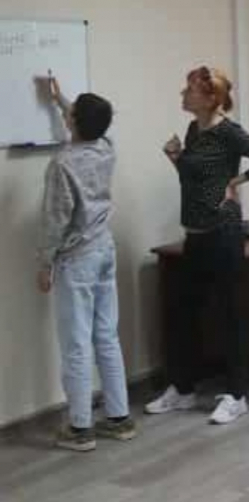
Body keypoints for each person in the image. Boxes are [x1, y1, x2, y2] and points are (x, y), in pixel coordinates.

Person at [145, 66, 249, 425]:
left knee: (229, 314)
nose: (183, 94)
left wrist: (236, 181)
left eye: (189, 90)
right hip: (195, 233)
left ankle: (236, 396)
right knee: (184, 313)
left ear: (210, 99)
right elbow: (193, 179)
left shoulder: (228, 132)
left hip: (223, 233)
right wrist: (176, 158)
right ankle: (183, 389)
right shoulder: (194, 130)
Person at [37, 77, 135, 452]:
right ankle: (119, 418)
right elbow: (89, 125)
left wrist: (45, 263)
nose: (67, 115)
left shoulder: (62, 164)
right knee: (106, 335)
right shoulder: (106, 148)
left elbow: (55, 220)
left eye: (71, 113)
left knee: (76, 343)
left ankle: (80, 428)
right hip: (104, 249)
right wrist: (60, 100)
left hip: (77, 258)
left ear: (75, 121)